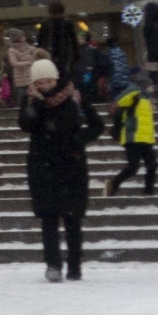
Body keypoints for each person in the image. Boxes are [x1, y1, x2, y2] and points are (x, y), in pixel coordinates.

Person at [21, 57, 103, 281]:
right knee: (49, 219)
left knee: (72, 219)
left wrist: (78, 140)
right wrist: (36, 102)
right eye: (40, 82)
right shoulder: (30, 98)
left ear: (55, 78)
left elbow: (98, 125)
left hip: (71, 164)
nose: (45, 86)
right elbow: (26, 124)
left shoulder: (73, 96)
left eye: (48, 81)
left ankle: (75, 266)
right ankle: (53, 264)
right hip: (42, 165)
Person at [106, 73, 158, 197]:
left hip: (146, 138)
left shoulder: (147, 100)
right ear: (144, 85)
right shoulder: (135, 93)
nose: (153, 88)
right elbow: (119, 101)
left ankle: (148, 192)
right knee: (133, 167)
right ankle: (114, 183)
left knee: (152, 165)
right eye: (151, 86)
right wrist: (135, 89)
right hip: (132, 137)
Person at [38, 2, 80, 84]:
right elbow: (73, 41)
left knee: (50, 78)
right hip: (65, 56)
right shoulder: (68, 23)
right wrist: (76, 56)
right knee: (64, 78)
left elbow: (40, 41)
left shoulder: (45, 23)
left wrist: (40, 56)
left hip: (49, 54)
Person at [3, 29, 38, 96]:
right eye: (22, 36)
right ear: (17, 38)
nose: (24, 37)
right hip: (21, 78)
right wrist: (28, 63)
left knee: (34, 97)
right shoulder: (12, 50)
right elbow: (13, 63)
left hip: (32, 76)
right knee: (23, 98)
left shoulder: (30, 48)